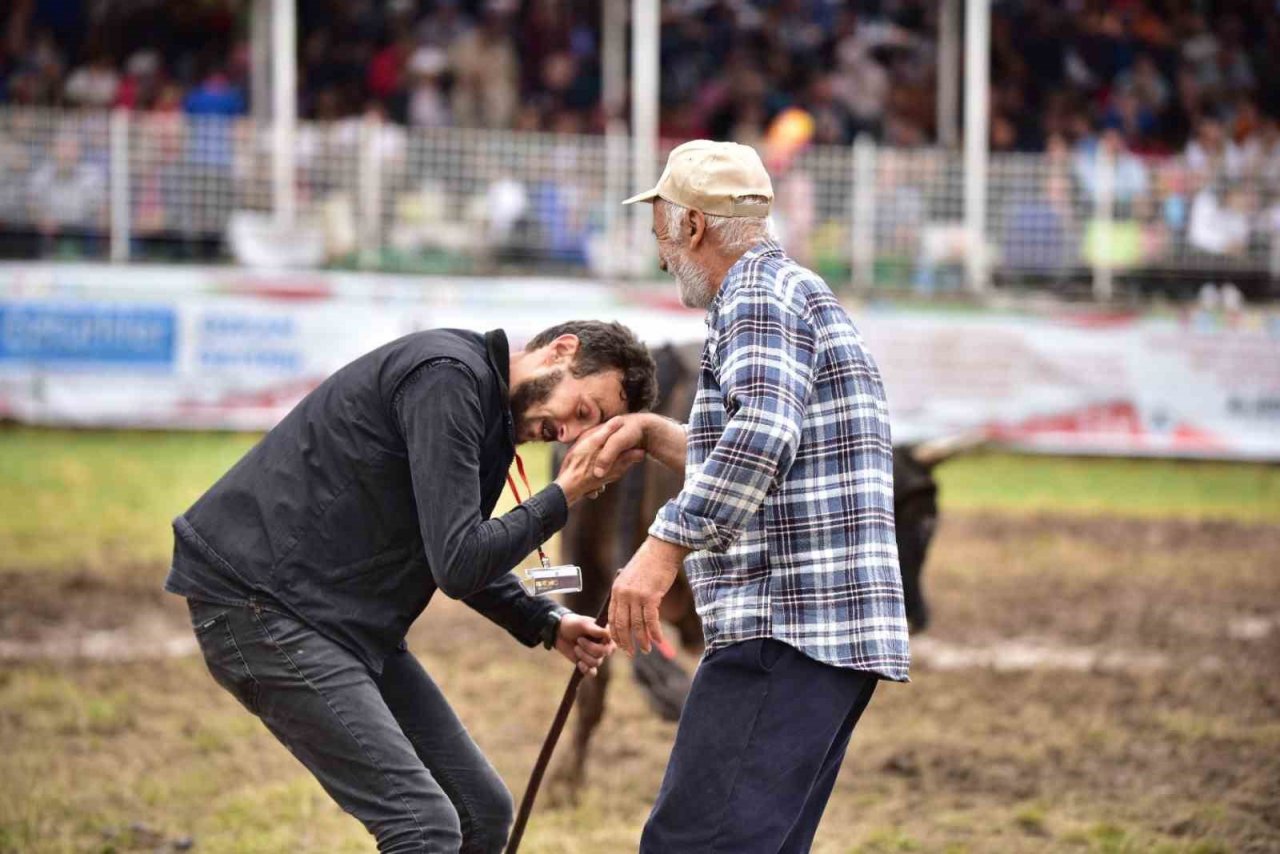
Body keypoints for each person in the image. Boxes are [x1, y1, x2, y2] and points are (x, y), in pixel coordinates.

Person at [165, 321, 657, 853]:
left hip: (339, 617)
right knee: (423, 828)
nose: (568, 435)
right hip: (261, 602)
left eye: (588, 432)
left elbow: (449, 543)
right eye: (582, 411)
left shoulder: (483, 409)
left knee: (482, 813)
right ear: (562, 352)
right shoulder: (447, 379)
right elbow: (457, 561)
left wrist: (544, 620)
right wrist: (562, 494)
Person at [594, 140, 911, 852]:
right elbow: (777, 446)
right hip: (823, 634)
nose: (658, 249)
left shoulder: (755, 297)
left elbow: (763, 433)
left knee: (692, 845)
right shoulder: (795, 291)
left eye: (660, 229)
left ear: (694, 227)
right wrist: (651, 432)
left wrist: (661, 545)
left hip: (783, 627)